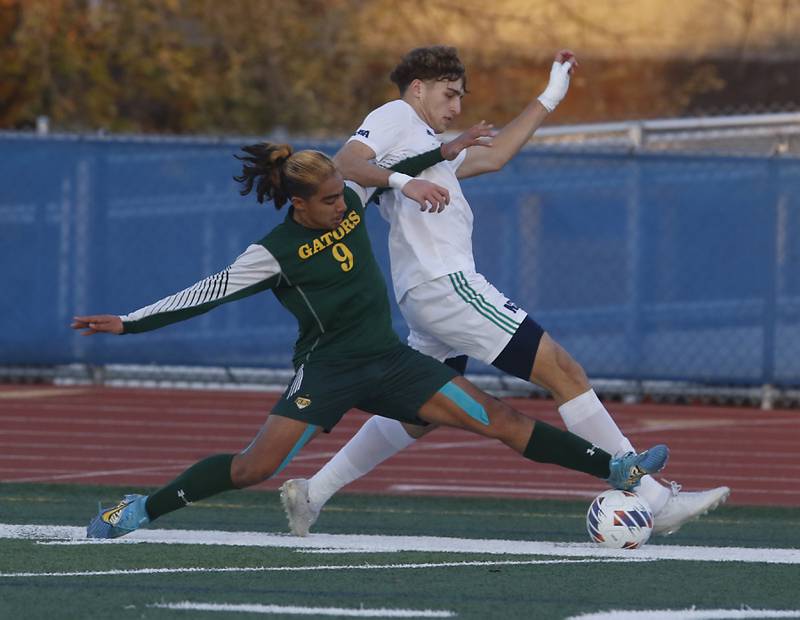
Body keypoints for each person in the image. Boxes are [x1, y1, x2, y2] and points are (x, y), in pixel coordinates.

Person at [71, 139, 669, 539]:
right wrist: (129, 322)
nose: (342, 206)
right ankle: (139, 510)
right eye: (328, 200)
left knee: (500, 419)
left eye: (342, 194)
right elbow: (205, 292)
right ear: (297, 203)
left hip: (390, 362)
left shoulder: (350, 201)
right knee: (255, 468)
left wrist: (445, 149)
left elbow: (383, 169)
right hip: (326, 374)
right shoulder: (271, 254)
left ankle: (616, 469)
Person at [279, 46, 729, 538]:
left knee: (417, 415)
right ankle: (652, 498)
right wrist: (403, 182)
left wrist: (550, 96)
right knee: (563, 369)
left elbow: (494, 155)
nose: (456, 107)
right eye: (449, 94)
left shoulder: (426, 143)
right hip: (446, 285)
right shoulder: (395, 116)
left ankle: (312, 492)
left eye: (460, 97)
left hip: (428, 293)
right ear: (418, 88)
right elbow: (345, 161)